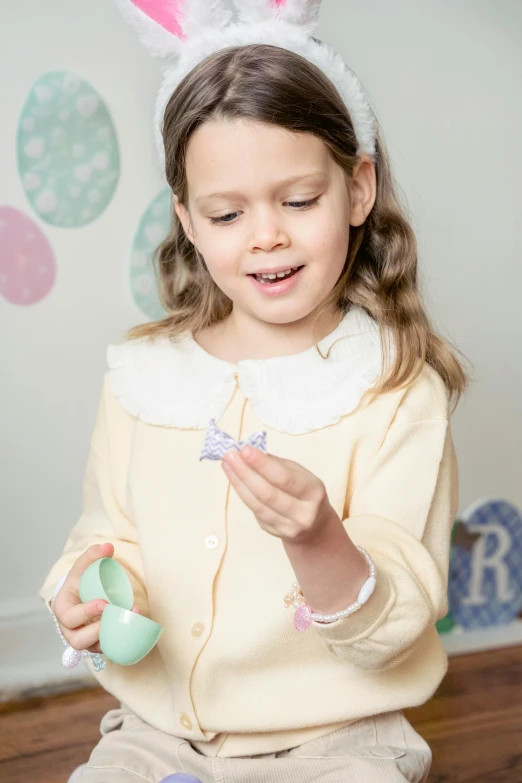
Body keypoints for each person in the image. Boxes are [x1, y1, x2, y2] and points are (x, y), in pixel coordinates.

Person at [39, 1, 471, 781]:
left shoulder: (396, 386)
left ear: (358, 189)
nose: (266, 234)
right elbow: (106, 536)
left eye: (298, 201)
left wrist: (319, 541)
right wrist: (86, 593)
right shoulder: (144, 377)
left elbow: (397, 624)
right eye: (228, 212)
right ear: (188, 221)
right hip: (157, 733)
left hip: (338, 740)